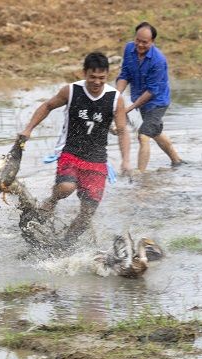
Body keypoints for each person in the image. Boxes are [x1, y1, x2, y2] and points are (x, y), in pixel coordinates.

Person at [20, 52, 130, 248]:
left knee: (88, 211)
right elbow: (47, 106)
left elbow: (122, 131)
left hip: (97, 160)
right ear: (84, 73)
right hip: (71, 152)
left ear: (107, 76)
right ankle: (51, 201)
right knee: (66, 188)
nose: (97, 82)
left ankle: (65, 245)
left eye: (101, 78)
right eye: (92, 77)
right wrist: (29, 129)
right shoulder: (71, 91)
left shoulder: (115, 98)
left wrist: (126, 161)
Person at [116, 22, 184, 172]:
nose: (139, 45)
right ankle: (177, 161)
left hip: (157, 102)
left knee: (144, 136)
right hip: (140, 100)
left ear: (152, 42)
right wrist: (115, 95)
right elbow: (125, 74)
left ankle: (140, 175)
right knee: (155, 132)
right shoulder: (129, 49)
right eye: (137, 40)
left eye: (144, 42)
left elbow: (152, 91)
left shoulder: (158, 60)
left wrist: (129, 109)